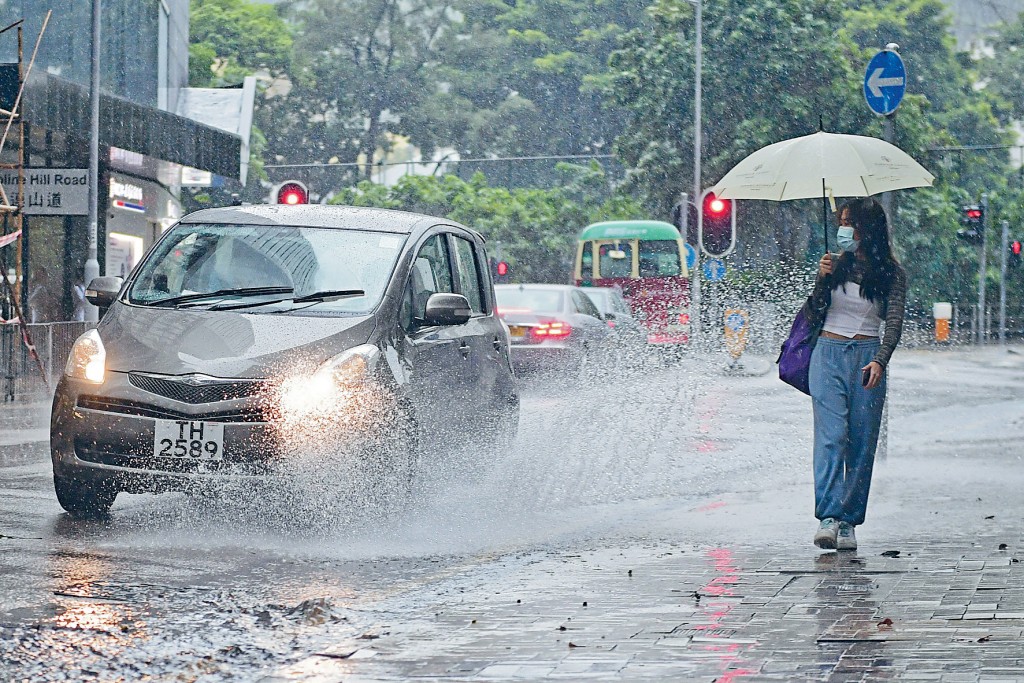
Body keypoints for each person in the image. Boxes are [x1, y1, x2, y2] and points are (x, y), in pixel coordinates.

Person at [806, 198, 907, 551]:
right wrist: (822, 279)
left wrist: (880, 359)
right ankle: (828, 517)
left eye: (851, 222)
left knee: (861, 443)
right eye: (842, 221)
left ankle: (849, 520)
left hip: (867, 356)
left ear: (869, 229)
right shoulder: (833, 264)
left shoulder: (892, 273)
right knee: (832, 436)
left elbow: (893, 322)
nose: (844, 229)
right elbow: (813, 311)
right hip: (827, 353)